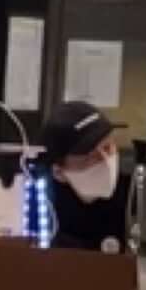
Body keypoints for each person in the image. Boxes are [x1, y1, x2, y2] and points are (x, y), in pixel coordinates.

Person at [36, 99, 127, 249]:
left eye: (108, 148)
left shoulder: (133, 196)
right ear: (59, 172)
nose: (106, 161)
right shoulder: (44, 210)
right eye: (91, 157)